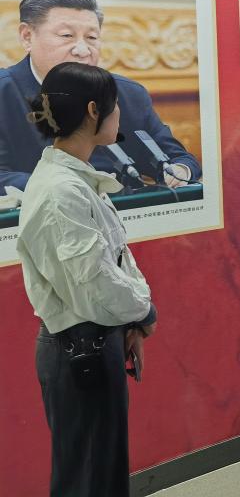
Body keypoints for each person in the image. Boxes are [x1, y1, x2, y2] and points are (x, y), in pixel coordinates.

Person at [17, 62, 158, 497]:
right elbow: (95, 283)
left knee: (103, 469)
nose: (121, 114)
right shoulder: (62, 191)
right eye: (115, 106)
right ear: (94, 110)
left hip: (97, 339)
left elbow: (114, 257)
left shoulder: (77, 178)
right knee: (87, 477)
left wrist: (132, 319)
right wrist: (144, 311)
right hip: (80, 348)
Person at [0, 0, 200, 193]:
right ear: (27, 36)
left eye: (91, 37)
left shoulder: (128, 94)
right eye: (66, 35)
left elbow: (179, 159)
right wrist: (74, 186)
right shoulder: (4, 93)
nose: (82, 50)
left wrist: (179, 171)